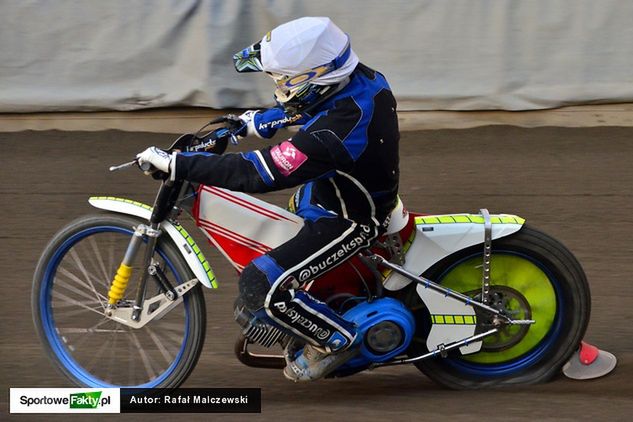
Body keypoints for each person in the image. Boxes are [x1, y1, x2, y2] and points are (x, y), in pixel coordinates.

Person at [136, 16, 400, 382]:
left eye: (283, 80)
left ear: (316, 76)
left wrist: (180, 165)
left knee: (258, 286)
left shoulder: (333, 135)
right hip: (328, 192)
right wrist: (248, 123)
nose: (277, 85)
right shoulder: (362, 79)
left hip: (350, 219)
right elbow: (310, 105)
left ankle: (337, 341)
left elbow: (257, 174)